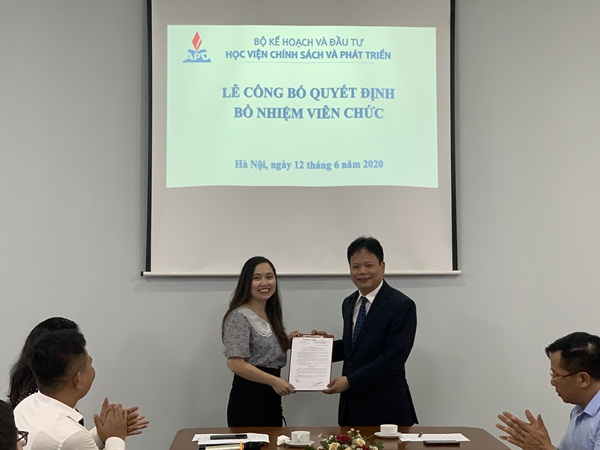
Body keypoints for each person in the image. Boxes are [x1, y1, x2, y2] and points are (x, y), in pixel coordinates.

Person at [321, 236, 418, 426]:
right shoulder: (349, 303)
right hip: (352, 408)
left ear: (382, 266)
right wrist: (321, 347)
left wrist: (350, 381)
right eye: (356, 266)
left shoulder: (401, 305)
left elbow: (393, 360)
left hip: (387, 408)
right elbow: (353, 348)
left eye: (369, 265)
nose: (362, 271)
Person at [8, 317, 148, 435]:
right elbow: (70, 441)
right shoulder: (34, 401)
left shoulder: (34, 399)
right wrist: (115, 438)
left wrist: (105, 432)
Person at [221, 256, 298, 426]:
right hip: (248, 400)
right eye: (257, 278)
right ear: (246, 282)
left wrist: (288, 342)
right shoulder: (238, 317)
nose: (264, 283)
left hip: (271, 400)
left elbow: (263, 352)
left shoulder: (271, 315)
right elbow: (236, 364)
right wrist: (274, 381)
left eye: (269, 277)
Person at [496, 332, 600, 450]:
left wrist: (543, 448)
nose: (552, 382)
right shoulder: (579, 411)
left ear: (583, 379)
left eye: (557, 376)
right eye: (552, 374)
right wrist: (539, 443)